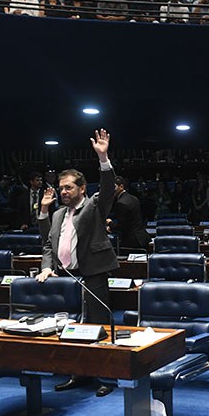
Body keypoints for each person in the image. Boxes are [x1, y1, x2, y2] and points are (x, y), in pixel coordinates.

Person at [35, 129, 119, 397]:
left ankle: (106, 376)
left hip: (92, 274)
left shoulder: (94, 206)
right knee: (73, 327)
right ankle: (79, 373)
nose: (63, 191)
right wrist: (47, 266)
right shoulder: (59, 213)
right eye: (61, 188)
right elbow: (48, 243)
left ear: (82, 188)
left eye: (68, 187)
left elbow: (107, 190)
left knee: (98, 326)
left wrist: (103, 159)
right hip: (67, 277)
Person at [108, 176, 150, 250]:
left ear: (121, 187)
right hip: (142, 237)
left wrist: (110, 223)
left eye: (113, 187)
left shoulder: (121, 203)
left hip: (131, 241)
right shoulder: (134, 198)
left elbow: (121, 225)